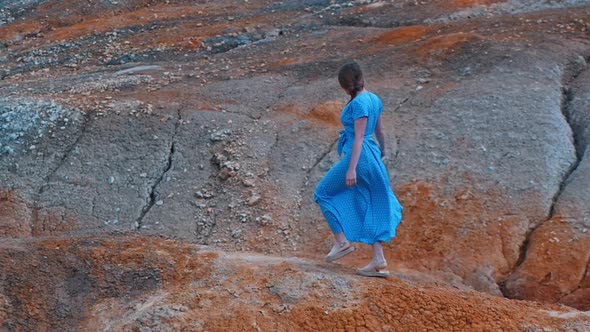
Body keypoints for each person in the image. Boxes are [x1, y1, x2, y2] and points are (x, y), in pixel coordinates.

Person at [314, 61, 403, 278]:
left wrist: (352, 168)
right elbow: (380, 132)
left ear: (345, 84)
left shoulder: (360, 103)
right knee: (372, 201)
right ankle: (378, 259)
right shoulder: (374, 99)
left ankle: (341, 242)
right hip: (372, 155)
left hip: (360, 156)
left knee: (322, 194)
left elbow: (360, 137)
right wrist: (382, 152)